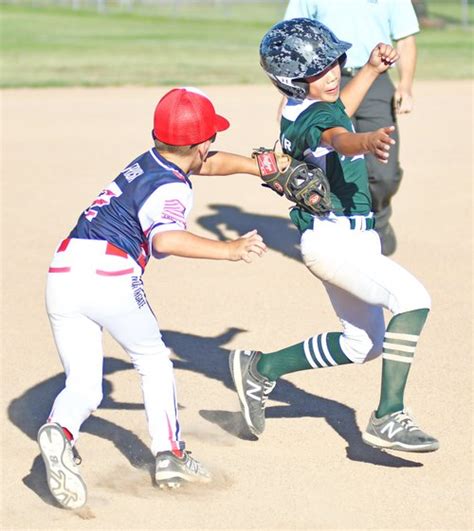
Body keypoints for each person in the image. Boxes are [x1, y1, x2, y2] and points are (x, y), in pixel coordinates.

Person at [37, 87, 267, 509]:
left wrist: (258, 168)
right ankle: (170, 456)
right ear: (201, 144)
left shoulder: (151, 160)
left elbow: (204, 163)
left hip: (64, 270)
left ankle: (60, 430)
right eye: (209, 139)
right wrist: (229, 250)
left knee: (84, 386)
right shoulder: (173, 189)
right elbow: (164, 240)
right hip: (110, 274)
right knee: (153, 360)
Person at [229, 18, 439, 454]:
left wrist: (370, 71)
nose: (332, 71)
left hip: (348, 239)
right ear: (292, 80)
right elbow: (339, 136)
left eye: (335, 62)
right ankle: (389, 416)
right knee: (413, 300)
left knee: (363, 344)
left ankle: (260, 369)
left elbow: (338, 110)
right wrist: (365, 141)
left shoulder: (305, 106)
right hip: (335, 241)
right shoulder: (313, 119)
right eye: (320, 68)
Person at [281, 0, 420, 256]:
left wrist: (405, 85)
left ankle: (378, 218)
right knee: (332, 166)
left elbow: (406, 39)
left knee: (385, 174)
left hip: (375, 77)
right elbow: (292, 33)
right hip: (323, 78)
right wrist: (292, 91)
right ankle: (339, 230)